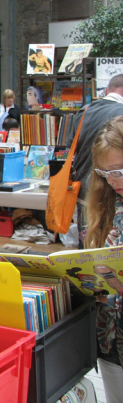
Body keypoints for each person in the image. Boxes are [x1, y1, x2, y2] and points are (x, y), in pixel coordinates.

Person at [84, 115, 123, 401]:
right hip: (111, 340)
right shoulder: (108, 203)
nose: (113, 180)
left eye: (120, 170)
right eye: (105, 172)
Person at [71, 75, 123, 246]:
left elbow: (70, 148)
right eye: (107, 172)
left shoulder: (83, 111)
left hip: (87, 188)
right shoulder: (120, 113)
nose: (111, 179)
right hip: (98, 189)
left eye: (116, 171)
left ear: (107, 91)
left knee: (87, 241)